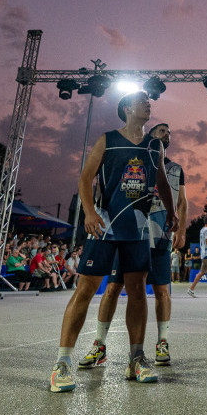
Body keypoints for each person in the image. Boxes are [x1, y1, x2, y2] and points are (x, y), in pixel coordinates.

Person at [49, 92, 175, 393]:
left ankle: (136, 358)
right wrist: (89, 211)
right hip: (105, 225)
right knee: (85, 290)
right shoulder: (108, 140)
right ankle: (62, 363)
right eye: (142, 101)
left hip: (138, 228)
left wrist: (172, 213)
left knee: (137, 292)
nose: (148, 104)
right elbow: (85, 178)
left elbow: (161, 181)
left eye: (149, 101)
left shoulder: (154, 145)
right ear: (127, 108)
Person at [81, 122, 188, 371]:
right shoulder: (135, 157)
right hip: (129, 231)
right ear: (150, 136)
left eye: (169, 132)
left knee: (161, 290)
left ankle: (162, 343)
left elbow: (182, 201)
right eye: (162, 131)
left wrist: (181, 229)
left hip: (159, 234)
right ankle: (99, 345)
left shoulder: (175, 169)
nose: (167, 135)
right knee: (112, 289)